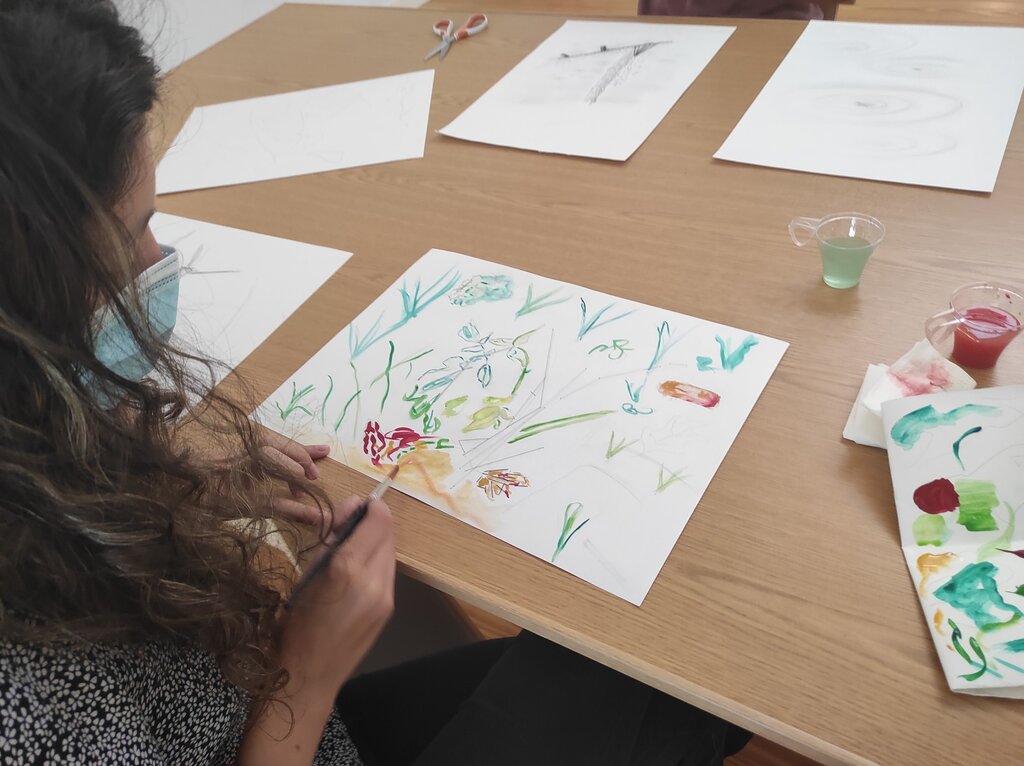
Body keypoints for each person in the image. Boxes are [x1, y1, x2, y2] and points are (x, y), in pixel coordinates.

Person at [0, 1, 751, 763]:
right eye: (129, 238)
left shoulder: (29, 446)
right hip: (286, 721)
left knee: (667, 678)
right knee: (688, 667)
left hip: (261, 703)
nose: (157, 261)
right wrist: (310, 672)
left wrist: (163, 485)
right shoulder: (32, 704)